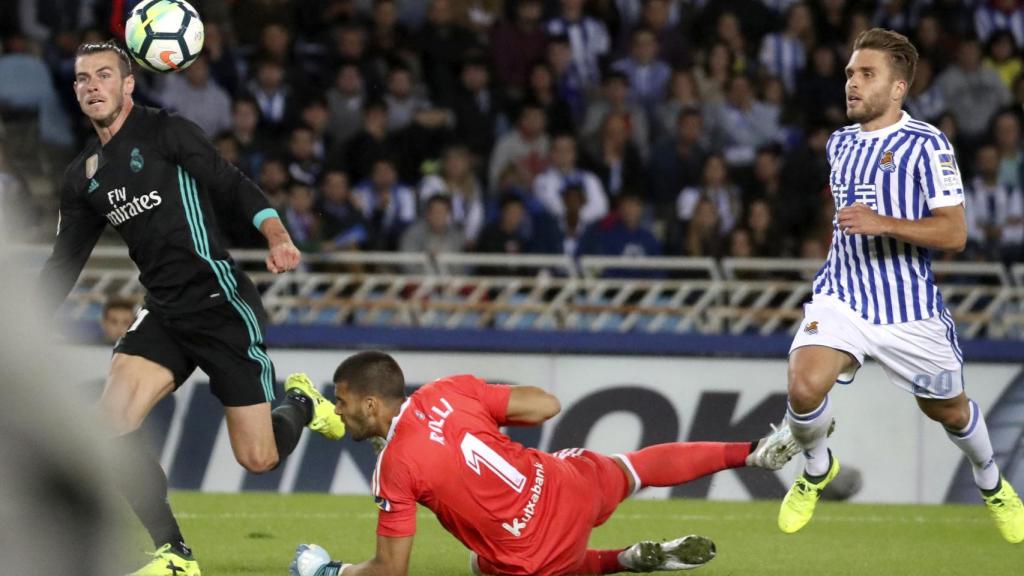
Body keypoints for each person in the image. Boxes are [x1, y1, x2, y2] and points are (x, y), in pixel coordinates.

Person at [38, 42, 347, 576]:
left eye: (104, 75)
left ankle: (298, 401)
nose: (92, 85)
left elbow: (231, 185)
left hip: (220, 303)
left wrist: (276, 234)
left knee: (259, 458)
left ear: (128, 84)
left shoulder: (167, 131)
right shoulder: (83, 176)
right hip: (164, 312)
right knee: (110, 422)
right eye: (83, 78)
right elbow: (64, 261)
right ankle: (175, 555)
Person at [777, 28, 1024, 544]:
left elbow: (954, 232)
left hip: (908, 310)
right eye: (849, 73)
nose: (852, 83)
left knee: (950, 412)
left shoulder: (927, 146)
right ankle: (818, 467)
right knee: (803, 386)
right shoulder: (839, 143)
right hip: (842, 295)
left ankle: (990, 480)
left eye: (867, 75)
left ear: (897, 89)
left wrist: (884, 222)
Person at [289, 350, 801, 576]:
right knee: (636, 467)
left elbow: (390, 570)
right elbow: (546, 406)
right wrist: (480, 420)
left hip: (533, 557)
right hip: (564, 483)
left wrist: (329, 571)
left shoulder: (393, 469)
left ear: (372, 405)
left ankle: (622, 560)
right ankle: (752, 451)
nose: (337, 410)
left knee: (489, 564)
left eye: (343, 400)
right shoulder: (449, 389)